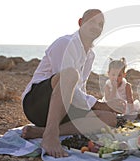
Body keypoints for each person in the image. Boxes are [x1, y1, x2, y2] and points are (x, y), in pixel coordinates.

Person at [21, 9, 125, 158]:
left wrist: (105, 106)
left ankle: (40, 132)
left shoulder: (90, 55)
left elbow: (79, 89)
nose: (96, 26)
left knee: (109, 119)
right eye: (91, 22)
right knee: (70, 74)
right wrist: (98, 104)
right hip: (37, 103)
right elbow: (66, 82)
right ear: (80, 23)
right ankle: (50, 136)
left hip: (64, 106)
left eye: (100, 24)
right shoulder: (65, 43)